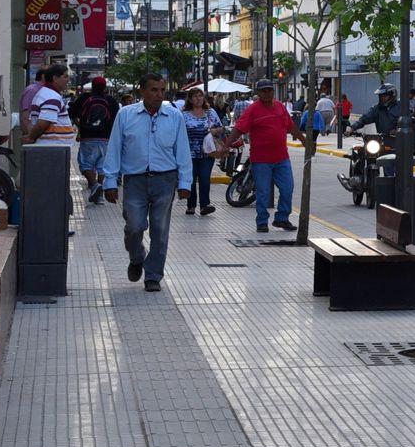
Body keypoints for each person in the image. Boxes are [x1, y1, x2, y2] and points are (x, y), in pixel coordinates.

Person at [102, 73, 193, 293]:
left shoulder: (174, 116)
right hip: (134, 180)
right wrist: (110, 181)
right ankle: (137, 257)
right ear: (142, 91)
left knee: (160, 230)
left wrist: (185, 183)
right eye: (153, 90)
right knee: (134, 226)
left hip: (165, 179)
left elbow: (182, 150)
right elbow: (114, 148)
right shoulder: (125, 115)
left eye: (162, 90)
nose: (158, 95)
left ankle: (153, 275)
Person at [231, 79, 299, 233]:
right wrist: (226, 145)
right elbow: (239, 129)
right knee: (262, 192)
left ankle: (281, 218)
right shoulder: (253, 110)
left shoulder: (280, 107)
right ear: (258, 93)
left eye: (269, 90)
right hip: (261, 160)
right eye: (263, 90)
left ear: (273, 91)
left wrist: (305, 141)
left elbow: (291, 126)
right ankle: (262, 221)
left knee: (288, 188)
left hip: (282, 158)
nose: (267, 93)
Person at [71, 77, 118, 204]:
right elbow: (116, 120)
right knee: (102, 166)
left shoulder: (84, 98)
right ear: (105, 87)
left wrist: (81, 126)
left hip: (88, 137)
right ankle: (99, 191)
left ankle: (94, 185)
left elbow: (72, 113)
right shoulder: (111, 100)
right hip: (106, 138)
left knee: (86, 164)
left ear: (92, 85)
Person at [180, 86, 223, 216]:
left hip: (207, 152)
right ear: (190, 99)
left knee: (204, 179)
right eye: (195, 96)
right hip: (189, 153)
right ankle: (191, 205)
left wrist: (214, 131)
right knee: (191, 179)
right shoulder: (184, 114)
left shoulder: (210, 112)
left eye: (200, 96)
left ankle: (205, 205)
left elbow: (220, 127)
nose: (198, 98)